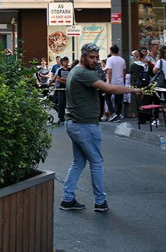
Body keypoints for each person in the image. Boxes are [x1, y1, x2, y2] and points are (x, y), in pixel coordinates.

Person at [60, 43, 144, 212]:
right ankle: (100, 201)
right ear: (83, 57)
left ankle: (67, 198)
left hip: (75, 123)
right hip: (85, 125)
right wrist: (134, 90)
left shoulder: (76, 71)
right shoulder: (82, 73)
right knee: (96, 162)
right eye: (92, 57)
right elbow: (110, 88)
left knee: (78, 162)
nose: (95, 60)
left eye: (97, 57)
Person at [105, 45, 126, 122]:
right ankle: (117, 114)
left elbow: (109, 71)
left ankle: (113, 113)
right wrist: (123, 81)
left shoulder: (110, 59)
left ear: (111, 51)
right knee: (119, 99)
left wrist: (109, 82)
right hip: (120, 82)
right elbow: (124, 72)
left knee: (107, 98)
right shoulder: (122, 60)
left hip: (112, 82)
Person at [53, 57, 71, 125]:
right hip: (60, 88)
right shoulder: (60, 70)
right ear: (62, 62)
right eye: (64, 61)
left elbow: (71, 78)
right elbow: (58, 79)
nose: (66, 63)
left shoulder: (70, 70)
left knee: (69, 103)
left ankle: (70, 116)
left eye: (67, 61)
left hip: (68, 88)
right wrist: (66, 79)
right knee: (61, 103)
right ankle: (61, 117)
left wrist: (64, 79)